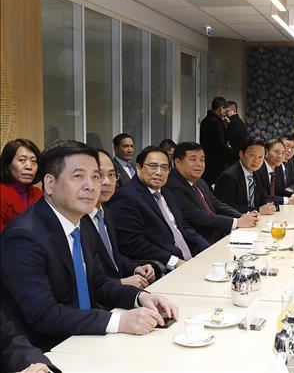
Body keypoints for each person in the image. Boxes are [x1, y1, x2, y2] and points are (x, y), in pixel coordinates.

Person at [0, 141, 178, 351]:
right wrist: (119, 322)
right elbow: (44, 315)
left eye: (95, 176)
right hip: (49, 350)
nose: (91, 185)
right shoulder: (23, 236)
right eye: (78, 176)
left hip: (88, 337)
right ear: (49, 184)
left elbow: (99, 284)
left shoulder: (81, 223)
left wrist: (141, 298)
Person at [109, 146, 209, 272]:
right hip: (164, 268)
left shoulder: (167, 193)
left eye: (164, 167)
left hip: (189, 260)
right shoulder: (126, 196)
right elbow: (132, 243)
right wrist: (175, 262)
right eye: (153, 166)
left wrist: (207, 249)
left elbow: (183, 227)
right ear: (138, 168)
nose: (159, 172)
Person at [80, 149, 156, 290]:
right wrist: (121, 283)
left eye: (112, 175)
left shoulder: (106, 213)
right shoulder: (78, 221)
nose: (107, 182)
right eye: (99, 175)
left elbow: (113, 257)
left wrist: (135, 268)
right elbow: (86, 279)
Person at [166, 142, 259, 243]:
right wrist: (236, 222)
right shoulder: (172, 185)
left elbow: (216, 204)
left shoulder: (200, 181)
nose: (199, 164)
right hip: (198, 242)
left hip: (218, 235)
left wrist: (241, 216)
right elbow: (197, 216)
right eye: (193, 159)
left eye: (202, 160)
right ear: (177, 162)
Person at [214, 138, 276, 215]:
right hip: (235, 222)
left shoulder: (256, 174)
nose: (256, 161)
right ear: (241, 154)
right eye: (252, 156)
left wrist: (269, 205)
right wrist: (258, 209)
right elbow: (227, 207)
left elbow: (264, 196)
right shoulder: (229, 176)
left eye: (260, 157)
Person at [0, 139, 42, 232]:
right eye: (22, 160)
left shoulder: (38, 193)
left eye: (34, 161)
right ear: (8, 165)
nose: (29, 166)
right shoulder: (1, 193)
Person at [200, 97, 234, 187]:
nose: (225, 114)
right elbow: (220, 145)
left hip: (208, 159)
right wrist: (232, 155)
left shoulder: (205, 120)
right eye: (224, 110)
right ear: (220, 108)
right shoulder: (215, 123)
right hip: (217, 162)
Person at [255, 139, 294, 207]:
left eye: (283, 153)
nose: (280, 156)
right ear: (266, 152)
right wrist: (286, 200)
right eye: (276, 152)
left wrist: (291, 195)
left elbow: (278, 190)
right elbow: (262, 197)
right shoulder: (258, 169)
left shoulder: (277, 168)